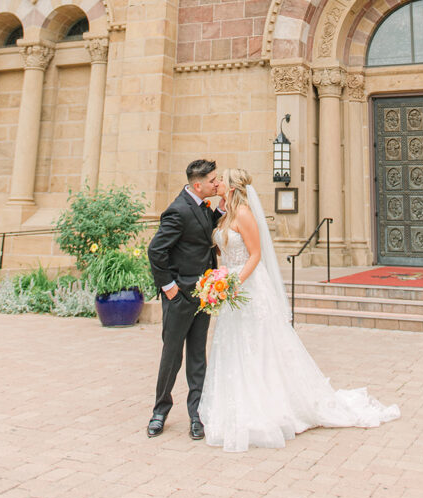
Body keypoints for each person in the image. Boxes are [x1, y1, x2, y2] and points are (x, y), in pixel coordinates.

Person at [199, 168, 400, 452]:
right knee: (235, 347)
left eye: (220, 179)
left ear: (231, 187)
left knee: (258, 347)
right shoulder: (225, 214)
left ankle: (268, 407)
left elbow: (255, 254)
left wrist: (233, 283)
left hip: (247, 288)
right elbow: (227, 251)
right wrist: (220, 280)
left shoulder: (243, 213)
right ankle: (234, 405)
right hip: (231, 290)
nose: (216, 182)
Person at [146, 159, 223, 440]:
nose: (217, 183)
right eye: (213, 180)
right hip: (180, 296)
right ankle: (160, 410)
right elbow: (156, 251)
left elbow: (204, 233)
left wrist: (222, 209)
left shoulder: (202, 207)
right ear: (198, 184)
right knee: (171, 355)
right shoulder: (177, 210)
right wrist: (169, 288)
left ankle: (197, 415)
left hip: (203, 294)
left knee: (197, 357)